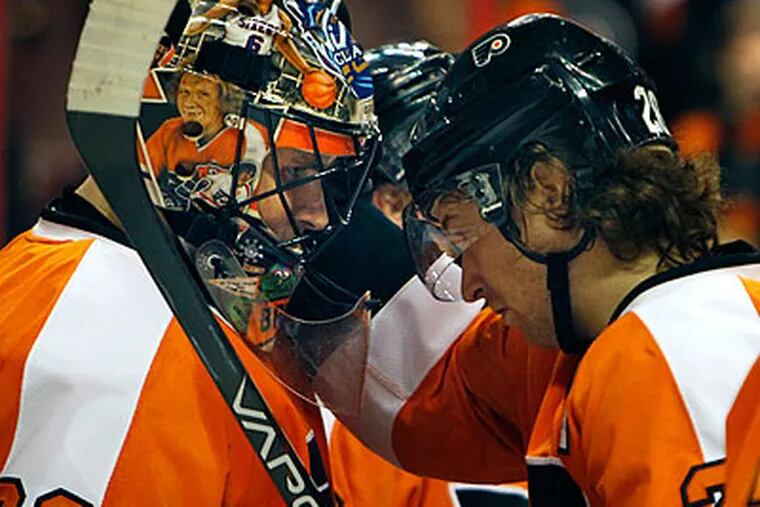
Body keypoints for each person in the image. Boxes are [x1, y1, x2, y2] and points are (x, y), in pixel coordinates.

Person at [319, 14, 760, 506]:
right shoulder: (615, 334)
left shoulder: (667, 352)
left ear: (549, 191)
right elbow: (438, 402)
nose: (467, 284)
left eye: (462, 233)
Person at [0, 1, 377, 505]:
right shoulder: (110, 341)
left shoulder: (166, 301)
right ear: (188, 121)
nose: (316, 215)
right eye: (294, 171)